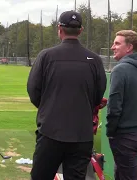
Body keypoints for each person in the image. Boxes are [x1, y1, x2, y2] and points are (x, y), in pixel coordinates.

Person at [27, 10, 107, 180]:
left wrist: (49, 107)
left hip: (50, 132)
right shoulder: (94, 60)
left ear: (59, 29)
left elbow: (34, 92)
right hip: (81, 135)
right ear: (80, 30)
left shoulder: (46, 56)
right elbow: (97, 96)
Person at [106, 30, 137, 180]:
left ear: (129, 47)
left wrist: (110, 131)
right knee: (121, 173)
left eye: (117, 43)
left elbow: (114, 106)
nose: (112, 47)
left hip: (125, 136)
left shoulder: (120, 70)